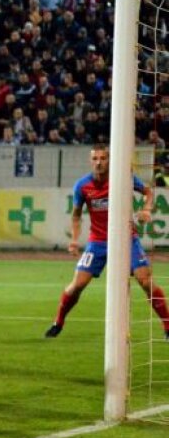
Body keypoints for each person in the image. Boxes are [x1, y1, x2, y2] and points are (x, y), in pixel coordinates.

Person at [45, 144, 169, 339]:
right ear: (90, 161)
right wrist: (74, 240)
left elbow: (148, 192)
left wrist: (146, 209)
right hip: (98, 242)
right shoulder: (82, 186)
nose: (99, 163)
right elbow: (76, 216)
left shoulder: (123, 178)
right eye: (95, 159)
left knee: (145, 280)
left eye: (103, 158)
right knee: (77, 284)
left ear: (110, 160)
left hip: (127, 238)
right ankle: (58, 322)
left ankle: (168, 326)